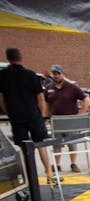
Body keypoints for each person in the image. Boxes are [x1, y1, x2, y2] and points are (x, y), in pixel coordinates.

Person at [0, 47, 54, 181]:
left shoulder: (3, 75)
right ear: (21, 57)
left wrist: (9, 113)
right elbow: (40, 98)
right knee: (40, 144)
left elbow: (1, 99)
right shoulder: (31, 75)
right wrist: (42, 115)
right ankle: (49, 173)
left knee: (23, 148)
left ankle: (28, 178)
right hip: (33, 115)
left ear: (8, 58)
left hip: (16, 116)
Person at [44, 64, 90, 173]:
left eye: (58, 74)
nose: (56, 76)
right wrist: (45, 117)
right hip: (56, 120)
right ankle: (57, 165)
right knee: (56, 144)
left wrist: (81, 113)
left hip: (70, 120)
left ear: (62, 74)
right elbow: (45, 103)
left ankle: (73, 163)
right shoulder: (49, 88)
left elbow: (86, 99)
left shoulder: (71, 87)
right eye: (54, 74)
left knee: (72, 143)